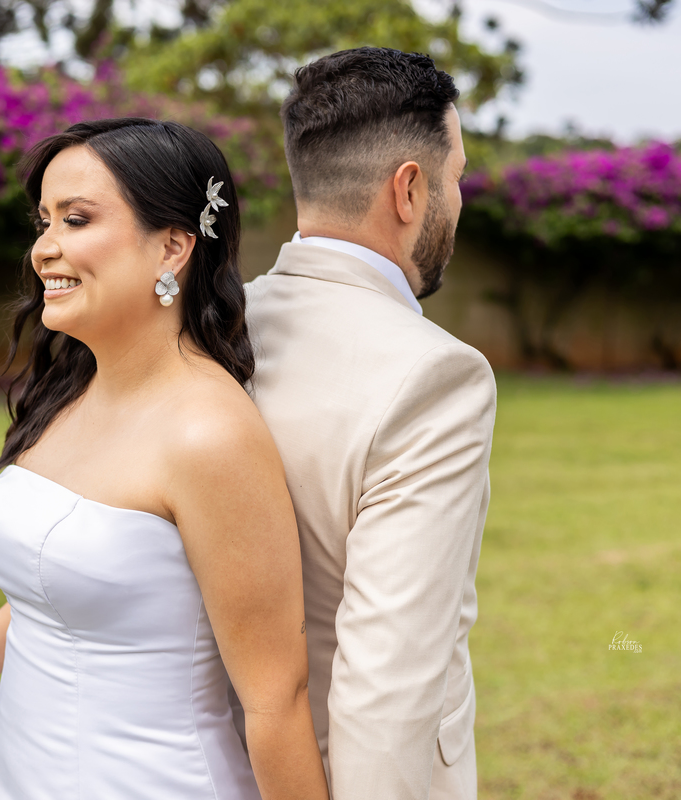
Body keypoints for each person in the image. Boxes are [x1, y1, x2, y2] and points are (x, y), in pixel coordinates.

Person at [0, 118, 330, 800]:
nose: (44, 250)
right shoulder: (69, 392)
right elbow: (72, 590)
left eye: (77, 219)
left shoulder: (210, 436)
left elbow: (277, 698)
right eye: (43, 223)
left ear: (174, 247)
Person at [243, 48, 497, 800]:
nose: (461, 197)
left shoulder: (219, 326)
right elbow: (385, 683)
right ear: (409, 190)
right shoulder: (435, 376)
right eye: (457, 175)